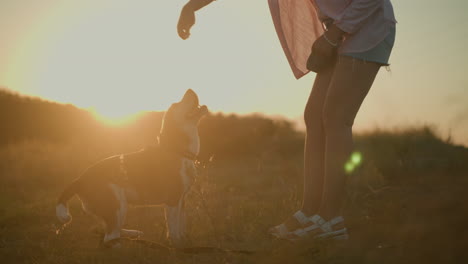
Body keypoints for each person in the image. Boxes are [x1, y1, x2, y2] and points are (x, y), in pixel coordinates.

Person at [177, 0, 396, 241]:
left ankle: (331, 218)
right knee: (314, 116)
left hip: (365, 26)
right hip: (338, 31)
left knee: (336, 117)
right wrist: (192, 6)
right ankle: (310, 212)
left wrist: (334, 34)